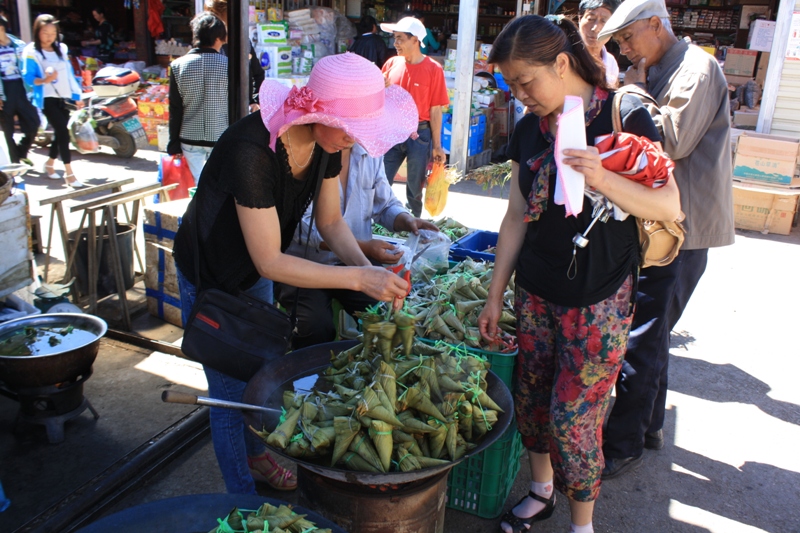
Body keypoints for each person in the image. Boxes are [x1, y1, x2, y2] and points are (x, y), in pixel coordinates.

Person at [171, 52, 418, 496]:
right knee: (231, 395)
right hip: (213, 276)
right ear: (314, 114)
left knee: (260, 373)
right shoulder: (253, 152)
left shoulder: (327, 146)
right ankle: (243, 501)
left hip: (255, 270)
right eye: (348, 129)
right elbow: (270, 260)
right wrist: (359, 280)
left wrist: (369, 273)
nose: (353, 140)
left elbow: (331, 223)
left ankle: (259, 456)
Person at [477, 15, 681, 533]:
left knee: (574, 422)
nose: (520, 94)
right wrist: (495, 296)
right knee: (531, 404)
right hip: (537, 293)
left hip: (600, 298)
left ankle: (582, 524)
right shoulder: (529, 129)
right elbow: (514, 217)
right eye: (511, 84)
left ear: (562, 63)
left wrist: (601, 177)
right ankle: (541, 492)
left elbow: (670, 204)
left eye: (527, 81)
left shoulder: (623, 114)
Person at [597, 0, 735, 479]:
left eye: (629, 38)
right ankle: (651, 425)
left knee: (644, 335)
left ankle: (625, 442)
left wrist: (632, 94)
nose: (626, 50)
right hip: (666, 222)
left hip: (683, 226)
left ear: (657, 25)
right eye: (620, 44)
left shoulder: (695, 68)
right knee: (653, 331)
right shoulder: (662, 65)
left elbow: (669, 142)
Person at [275, 143, 438, 349]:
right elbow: (301, 228)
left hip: (353, 263)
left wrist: (407, 220)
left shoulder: (369, 151)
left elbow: (385, 203)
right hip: (304, 265)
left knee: (387, 312)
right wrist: (365, 249)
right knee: (315, 327)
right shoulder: (303, 155)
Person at [380, 16, 449, 217]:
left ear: (415, 40)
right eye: (395, 38)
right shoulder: (391, 63)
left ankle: (412, 225)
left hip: (420, 134)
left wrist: (437, 145)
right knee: (381, 180)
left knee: (415, 187)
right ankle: (379, 221)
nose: (396, 43)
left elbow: (436, 110)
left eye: (400, 38)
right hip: (391, 132)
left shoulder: (434, 70)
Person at [22, 14, 85, 188]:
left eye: (53, 32)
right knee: (63, 132)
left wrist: (77, 95)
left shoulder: (61, 49)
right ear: (37, 32)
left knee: (60, 133)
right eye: (45, 32)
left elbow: (69, 74)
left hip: (63, 97)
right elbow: (28, 77)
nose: (49, 36)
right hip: (47, 98)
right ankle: (69, 173)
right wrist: (44, 81)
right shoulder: (31, 52)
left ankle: (49, 163)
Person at [167, 13, 228, 183]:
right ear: (219, 37)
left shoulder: (178, 66)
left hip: (189, 139)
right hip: (221, 137)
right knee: (218, 187)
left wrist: (173, 143)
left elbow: (175, 108)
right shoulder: (229, 66)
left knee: (199, 188)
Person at [205, 0, 265, 113]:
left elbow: (258, 74)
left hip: (241, 107)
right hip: (217, 111)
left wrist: (255, 101)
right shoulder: (208, 46)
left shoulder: (243, 43)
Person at [0, 16, 38, 166]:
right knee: (7, 131)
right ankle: (15, 163)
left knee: (34, 124)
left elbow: (30, 67)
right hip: (4, 90)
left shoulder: (19, 45)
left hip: (21, 88)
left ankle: (21, 152)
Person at [578, 0, 620, 87]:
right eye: (591, 19)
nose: (595, 28)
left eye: (604, 21)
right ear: (580, 18)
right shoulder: (566, 54)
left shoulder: (611, 62)